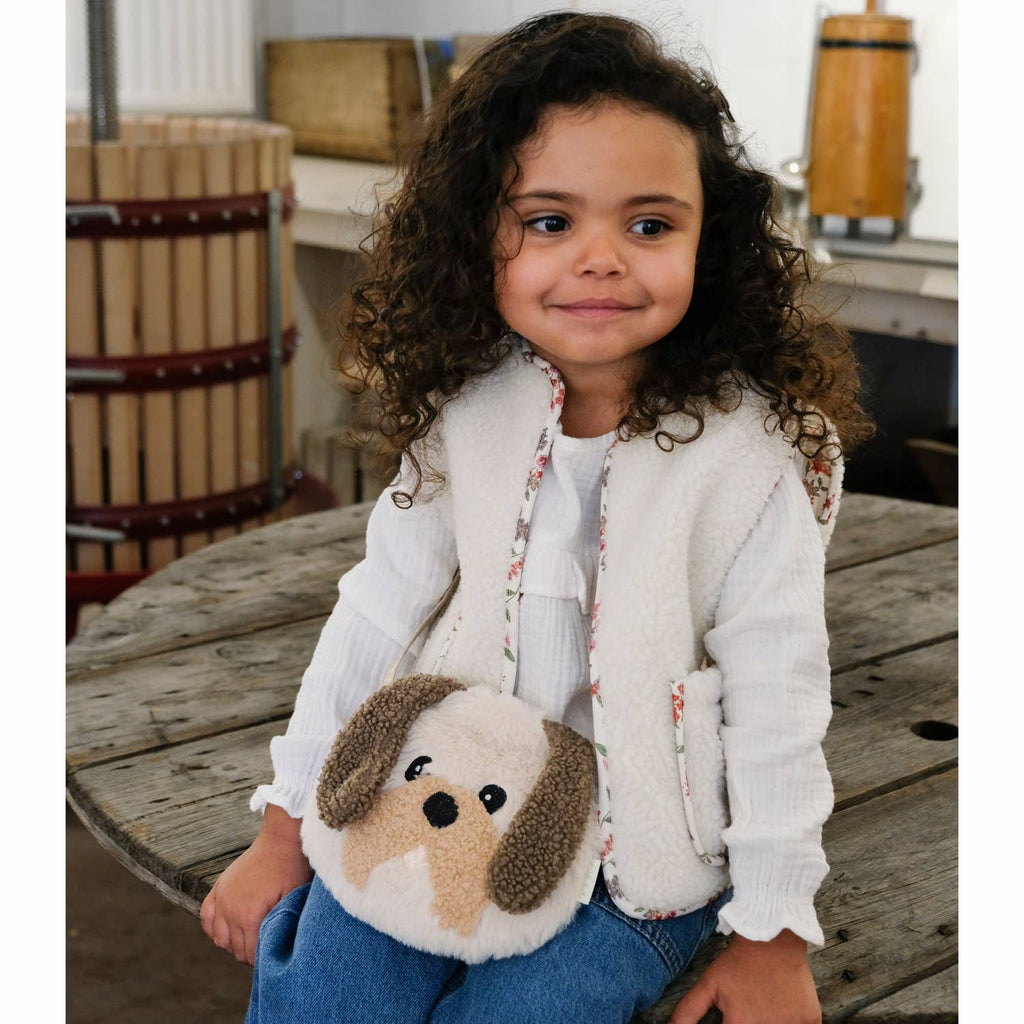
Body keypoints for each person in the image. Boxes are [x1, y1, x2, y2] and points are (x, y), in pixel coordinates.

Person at [201, 11, 873, 1023]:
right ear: (477, 229)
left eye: (649, 224)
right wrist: (287, 826)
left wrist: (772, 932)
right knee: (324, 999)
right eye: (549, 221)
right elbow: (374, 616)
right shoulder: (463, 407)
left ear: (712, 237)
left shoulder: (756, 457)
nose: (601, 258)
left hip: (635, 860)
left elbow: (779, 694)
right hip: (436, 801)